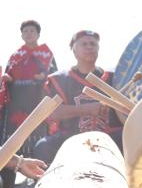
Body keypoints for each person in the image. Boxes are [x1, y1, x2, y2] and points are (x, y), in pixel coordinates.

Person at [33, 30, 123, 165]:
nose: (89, 47)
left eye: (93, 44)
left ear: (98, 49)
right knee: (43, 146)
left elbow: (129, 112)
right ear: (74, 51)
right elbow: (54, 113)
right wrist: (87, 109)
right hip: (71, 136)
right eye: (84, 44)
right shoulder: (60, 79)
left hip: (109, 135)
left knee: (131, 139)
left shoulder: (115, 78)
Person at [0, 20, 57, 157]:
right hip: (17, 101)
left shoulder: (46, 54)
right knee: (14, 132)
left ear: (38, 34)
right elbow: (9, 74)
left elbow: (55, 77)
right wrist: (7, 78)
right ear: (21, 35)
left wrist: (44, 76)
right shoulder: (16, 55)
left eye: (32, 31)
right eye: (25, 31)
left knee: (38, 130)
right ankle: (10, 165)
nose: (29, 33)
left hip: (37, 99)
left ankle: (37, 166)